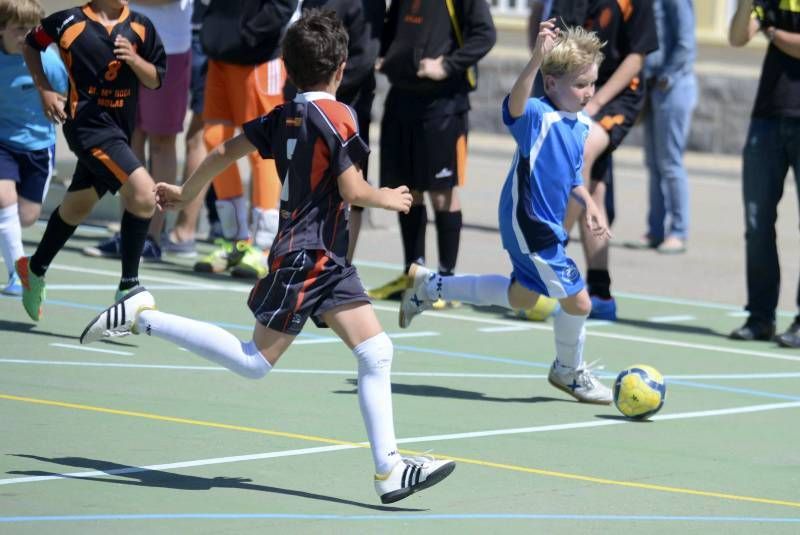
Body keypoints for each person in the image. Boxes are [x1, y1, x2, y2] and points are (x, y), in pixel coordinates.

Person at [79, 9, 456, 503]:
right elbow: (351, 187)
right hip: (309, 255)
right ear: (342, 67)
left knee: (376, 351)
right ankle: (143, 316)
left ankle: (389, 470)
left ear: (287, 65)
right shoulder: (339, 115)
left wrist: (186, 192)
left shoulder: (286, 114)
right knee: (254, 362)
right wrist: (385, 195)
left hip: (322, 258)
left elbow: (222, 152)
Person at [400, 21, 613, 404]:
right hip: (529, 223)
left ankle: (431, 286)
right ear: (551, 84)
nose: (589, 92)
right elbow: (514, 106)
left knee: (522, 298)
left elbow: (569, 175)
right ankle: (568, 372)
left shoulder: (580, 125)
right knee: (579, 301)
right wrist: (535, 60)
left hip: (542, 225)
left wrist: (589, 203)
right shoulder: (535, 115)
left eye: (593, 83)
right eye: (580, 85)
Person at [16, 0, 166, 321]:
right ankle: (129, 286)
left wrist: (134, 60)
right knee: (143, 195)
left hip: (119, 130)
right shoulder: (67, 21)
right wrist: (44, 89)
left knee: (77, 207)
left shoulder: (141, 26)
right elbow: (32, 44)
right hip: (85, 126)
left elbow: (155, 78)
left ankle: (34, 267)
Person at [367, 0, 496, 307]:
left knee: (442, 193)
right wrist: (385, 54)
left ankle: (446, 283)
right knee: (406, 192)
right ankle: (414, 276)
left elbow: (485, 34)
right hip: (402, 98)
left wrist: (448, 65)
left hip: (443, 104)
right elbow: (393, 25)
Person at [192, 0, 298, 279]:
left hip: (259, 56)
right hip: (221, 54)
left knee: (263, 149)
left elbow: (283, 6)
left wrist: (246, 34)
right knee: (214, 137)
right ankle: (235, 240)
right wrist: (214, 30)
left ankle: (263, 248)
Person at [83, 0, 193, 262]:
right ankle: (129, 234)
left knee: (161, 141)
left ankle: (152, 238)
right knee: (128, 138)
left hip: (168, 48)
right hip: (121, 43)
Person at [728, 0, 800, 348]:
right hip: (767, 116)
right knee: (757, 223)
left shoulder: (772, 24)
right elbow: (737, 38)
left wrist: (771, 31)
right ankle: (760, 317)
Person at [0, 0, 67, 296]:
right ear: (1, 29)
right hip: (3, 142)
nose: (26, 35)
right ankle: (17, 274)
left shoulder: (47, 61)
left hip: (40, 147)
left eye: (32, 29)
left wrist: (62, 104)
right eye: (19, 29)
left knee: (25, 217)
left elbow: (68, 92)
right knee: (4, 200)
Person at [625, 0, 696, 254]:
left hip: (673, 86)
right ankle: (655, 229)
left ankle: (678, 231)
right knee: (653, 162)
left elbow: (686, 43)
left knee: (670, 163)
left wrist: (666, 77)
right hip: (652, 85)